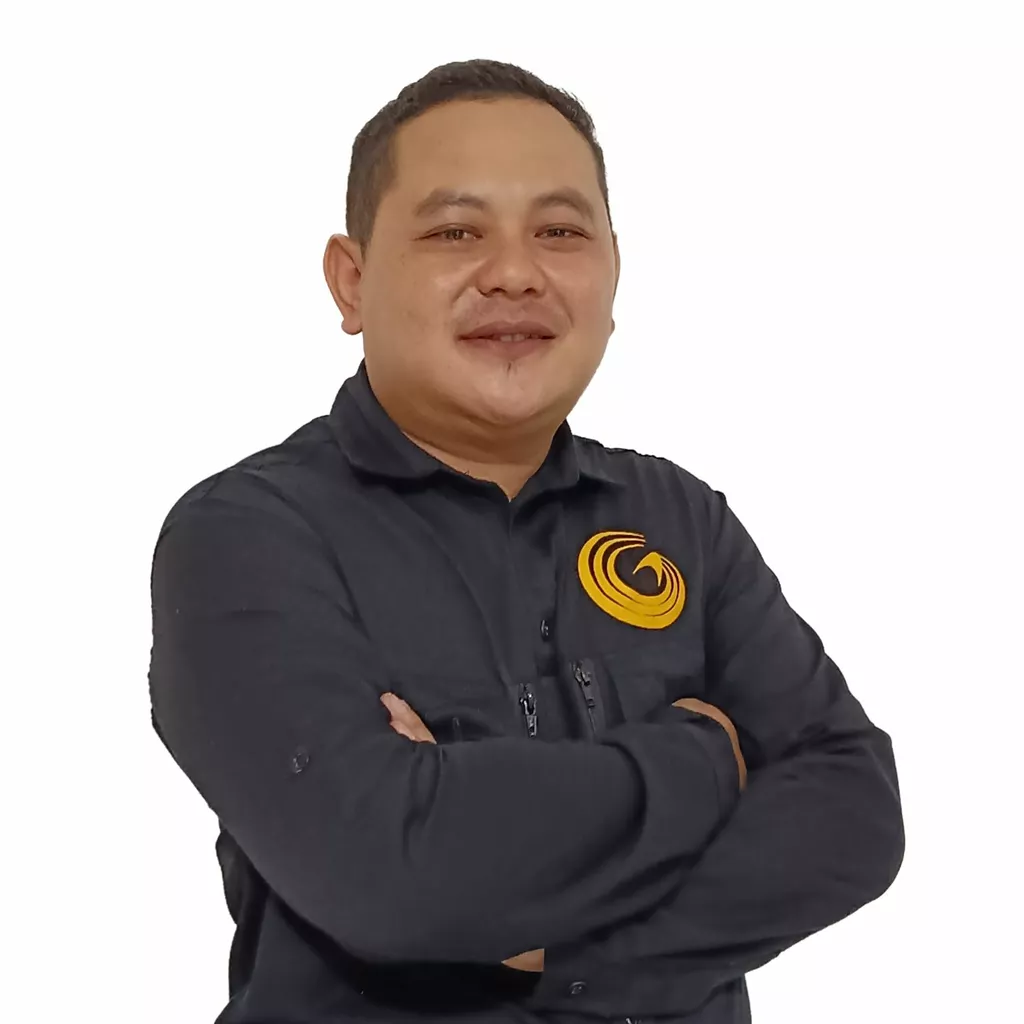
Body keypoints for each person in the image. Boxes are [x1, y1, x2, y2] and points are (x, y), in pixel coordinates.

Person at [148, 58, 904, 1024]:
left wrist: (559, 952)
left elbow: (854, 811)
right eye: (455, 232)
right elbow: (390, 876)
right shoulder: (246, 539)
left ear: (614, 270)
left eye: (559, 232)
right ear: (352, 281)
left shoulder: (680, 519)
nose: (514, 272)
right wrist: (708, 755)